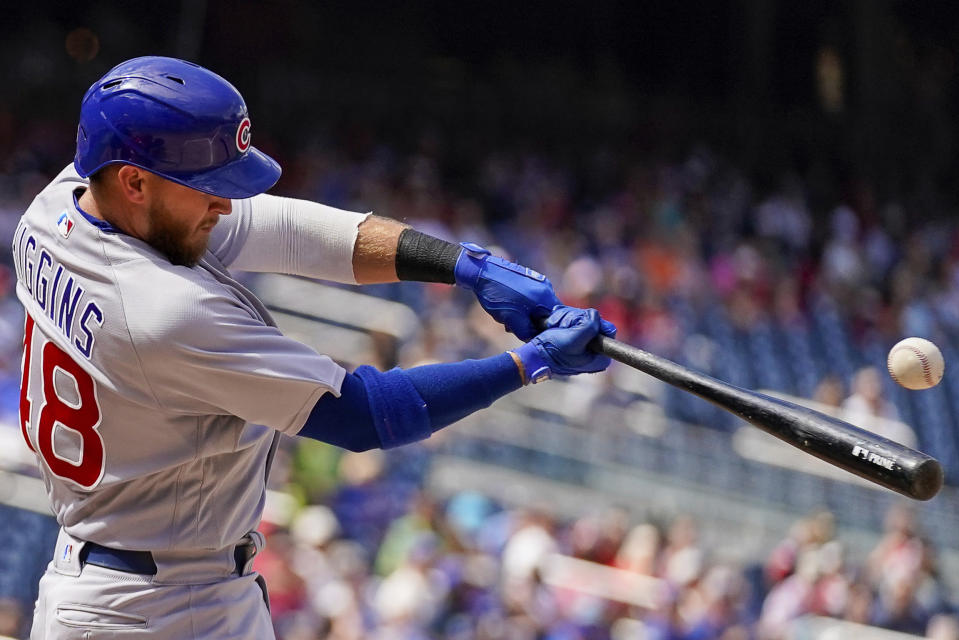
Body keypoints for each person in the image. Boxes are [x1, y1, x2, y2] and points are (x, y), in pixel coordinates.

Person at [14, 57, 616, 639]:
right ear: (135, 181)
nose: (224, 203)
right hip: (156, 609)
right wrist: (531, 363)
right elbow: (370, 415)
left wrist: (464, 264)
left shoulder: (59, 204)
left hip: (137, 581)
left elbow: (289, 232)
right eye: (204, 186)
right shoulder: (163, 313)